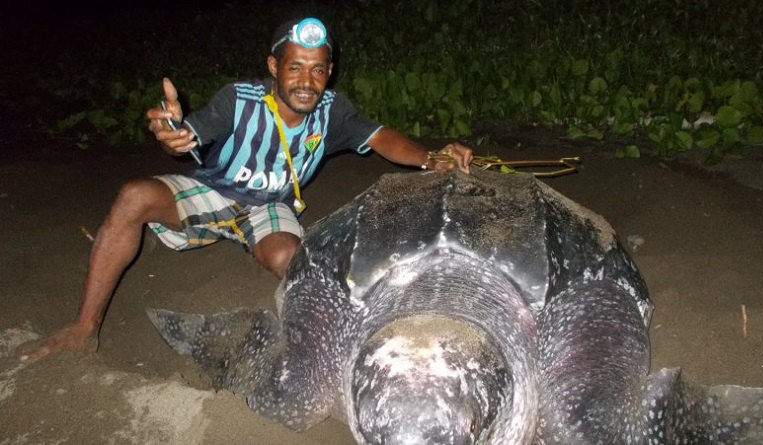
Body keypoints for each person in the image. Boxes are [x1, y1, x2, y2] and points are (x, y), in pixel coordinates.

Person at [19, 17, 473, 363]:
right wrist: (175, 132)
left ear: (329, 72)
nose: (306, 81)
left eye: (317, 71)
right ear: (274, 66)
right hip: (214, 194)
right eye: (295, 67)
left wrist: (430, 159)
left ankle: (338, 345)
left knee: (290, 260)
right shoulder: (239, 98)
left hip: (269, 210)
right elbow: (191, 134)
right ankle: (84, 326)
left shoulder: (333, 111)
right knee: (133, 196)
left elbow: (382, 138)